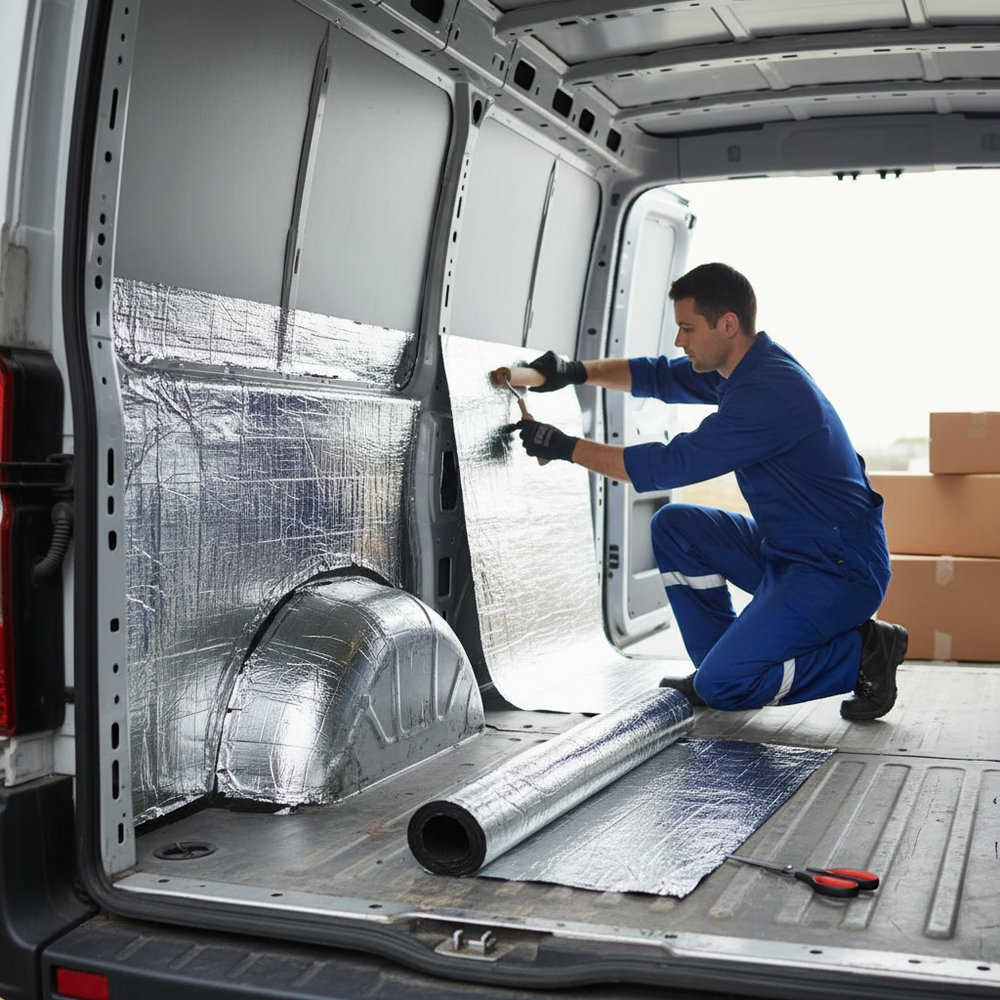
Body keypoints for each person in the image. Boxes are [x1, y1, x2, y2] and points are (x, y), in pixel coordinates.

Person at [513, 262, 907, 721]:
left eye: (686, 328)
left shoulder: (768, 394)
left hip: (838, 571)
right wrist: (574, 371)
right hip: (791, 553)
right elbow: (659, 376)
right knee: (676, 527)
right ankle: (715, 667)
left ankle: (861, 654)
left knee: (728, 685)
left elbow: (668, 464)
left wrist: (562, 447)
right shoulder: (741, 367)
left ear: (728, 324)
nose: (680, 340)